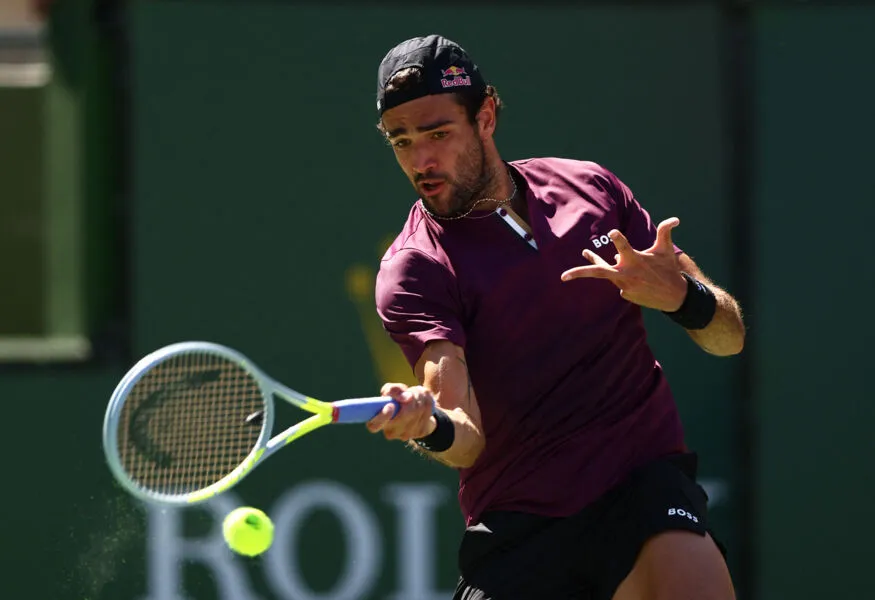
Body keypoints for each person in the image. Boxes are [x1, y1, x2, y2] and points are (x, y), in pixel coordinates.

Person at [366, 34, 745, 600]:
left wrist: (683, 297)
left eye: (438, 134)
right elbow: (464, 436)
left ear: (486, 116)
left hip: (642, 487)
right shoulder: (416, 267)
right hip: (524, 530)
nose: (421, 160)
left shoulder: (590, 189)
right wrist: (429, 424)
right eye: (402, 141)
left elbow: (728, 338)